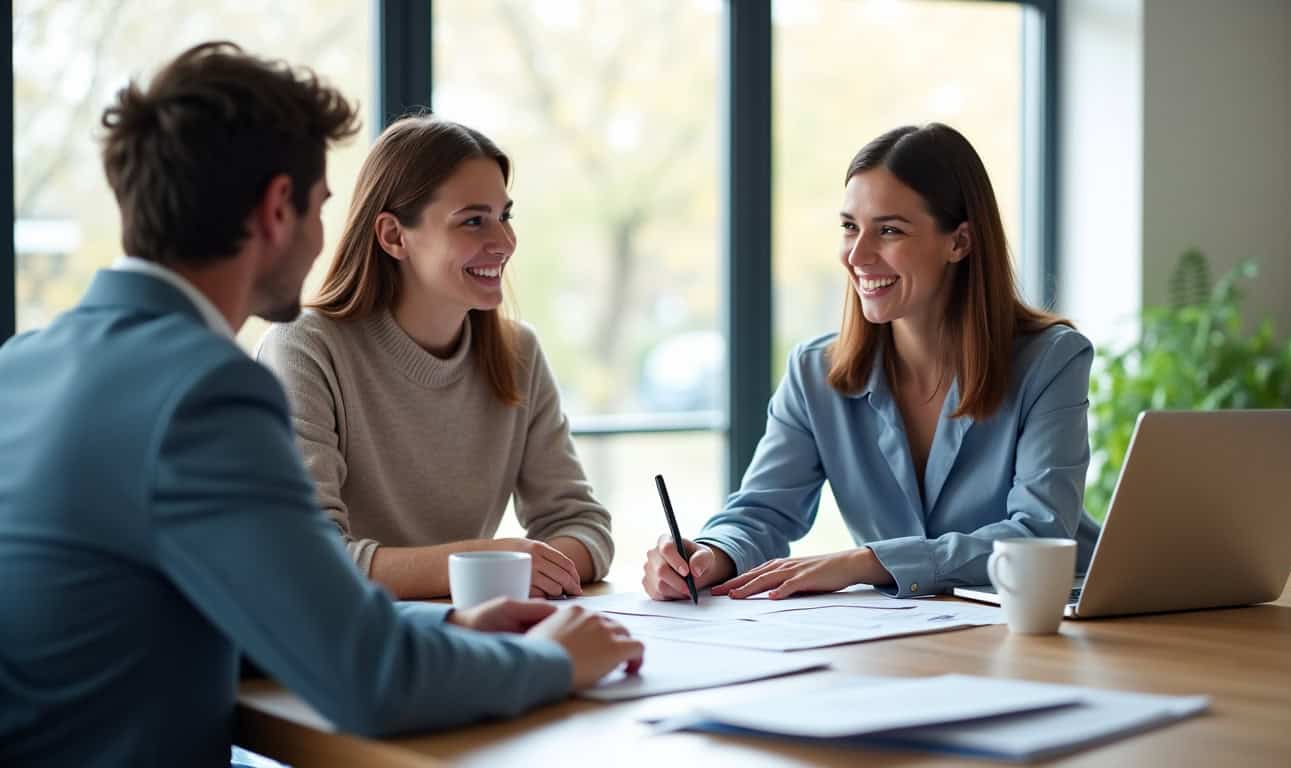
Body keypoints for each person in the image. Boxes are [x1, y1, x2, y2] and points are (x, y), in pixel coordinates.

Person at [0, 42, 641, 767]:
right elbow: (369, 680)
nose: (319, 241)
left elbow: (198, 622)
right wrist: (558, 662)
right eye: (321, 208)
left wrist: (454, 625)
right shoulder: (203, 391)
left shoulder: (19, 366)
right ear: (279, 208)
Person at [642, 123, 1100, 601]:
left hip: (1047, 623)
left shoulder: (1052, 360)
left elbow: (1039, 534)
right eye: (849, 227)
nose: (857, 255)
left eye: (889, 230)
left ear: (959, 242)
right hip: (905, 637)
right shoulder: (814, 373)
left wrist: (869, 561)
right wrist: (710, 555)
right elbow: (762, 512)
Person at [256, 117, 612, 600]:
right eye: (473, 220)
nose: (504, 242)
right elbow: (306, 554)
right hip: (351, 647)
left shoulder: (518, 353)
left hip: (475, 634)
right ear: (393, 236)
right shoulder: (304, 347)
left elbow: (581, 523)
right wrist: (488, 566)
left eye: (504, 216)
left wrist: (526, 566)